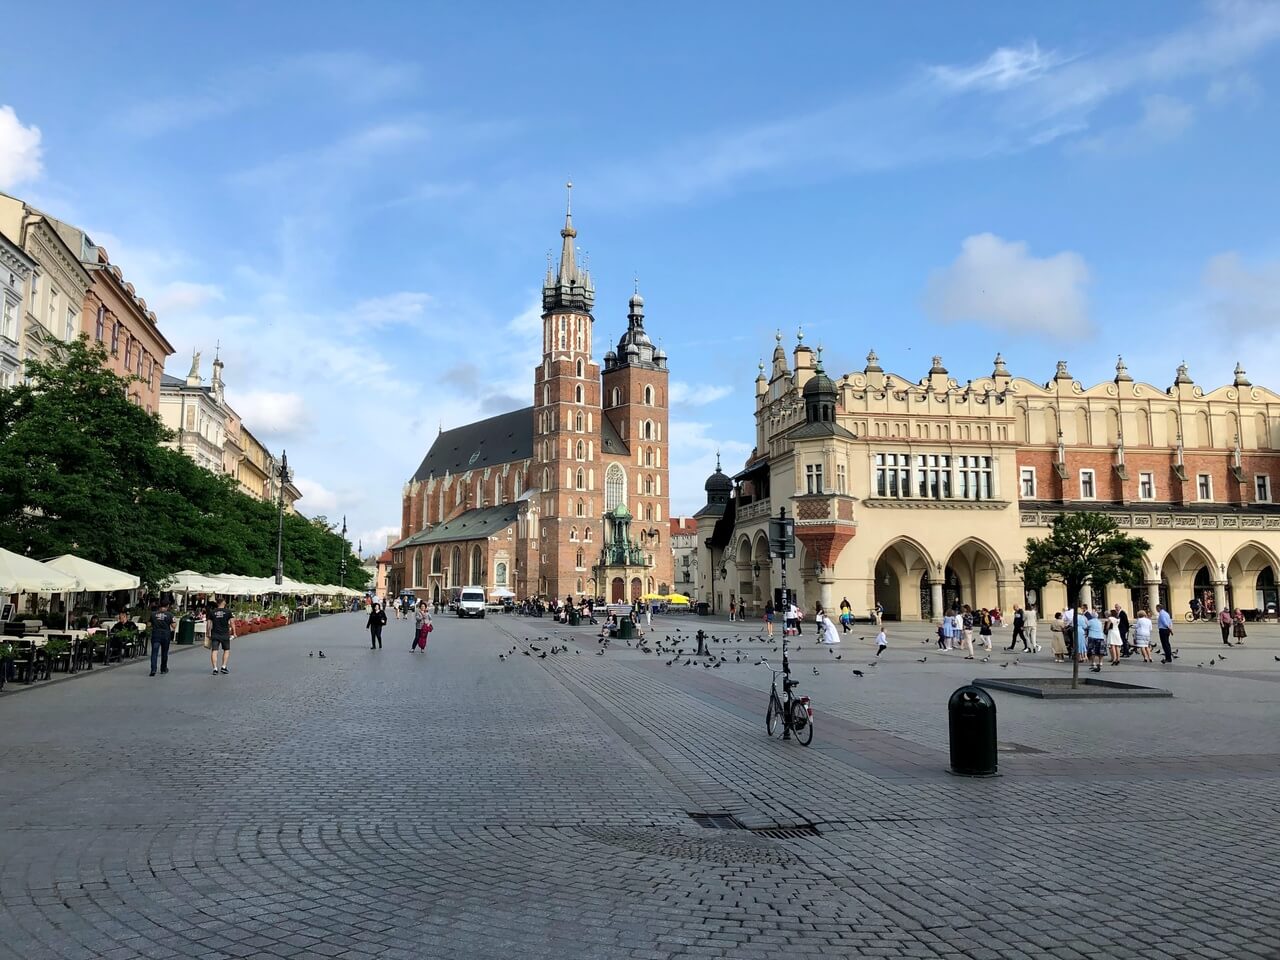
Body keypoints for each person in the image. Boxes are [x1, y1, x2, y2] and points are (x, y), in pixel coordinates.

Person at [208, 598, 235, 675]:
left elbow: (209, 623)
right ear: (223, 603)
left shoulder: (212, 612)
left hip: (215, 634)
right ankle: (223, 667)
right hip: (225, 634)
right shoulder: (228, 612)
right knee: (226, 650)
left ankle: (215, 668)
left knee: (214, 651)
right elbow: (232, 622)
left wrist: (208, 633)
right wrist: (234, 632)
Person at [149, 601, 175, 676]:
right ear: (167, 606)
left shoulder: (153, 614)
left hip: (156, 634)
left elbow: (149, 624)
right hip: (166, 635)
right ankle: (163, 669)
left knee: (154, 652)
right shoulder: (170, 615)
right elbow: (174, 626)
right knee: (164, 652)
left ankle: (153, 669)